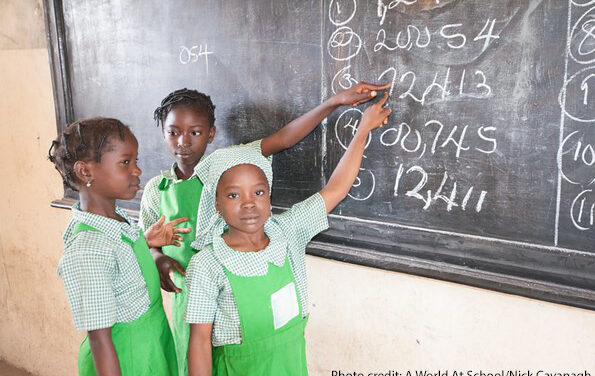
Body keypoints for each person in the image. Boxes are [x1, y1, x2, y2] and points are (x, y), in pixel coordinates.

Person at [140, 83, 390, 375]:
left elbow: (331, 186)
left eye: (258, 192)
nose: (248, 204)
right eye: (234, 195)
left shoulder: (285, 230)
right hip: (206, 320)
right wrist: (155, 254)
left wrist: (354, 124)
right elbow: (200, 344)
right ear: (217, 204)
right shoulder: (206, 262)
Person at [49, 117, 190, 375]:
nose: (136, 170)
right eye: (125, 163)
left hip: (152, 344)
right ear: (85, 171)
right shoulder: (88, 251)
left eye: (135, 161)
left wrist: (145, 245)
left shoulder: (117, 221)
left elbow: (119, 266)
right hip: (126, 359)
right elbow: (100, 340)